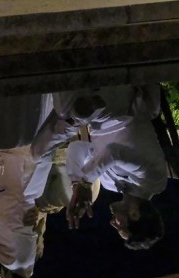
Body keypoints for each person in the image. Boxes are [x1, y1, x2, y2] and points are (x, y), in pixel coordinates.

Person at [30, 86, 167, 251]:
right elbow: (114, 153)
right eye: (119, 226)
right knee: (66, 110)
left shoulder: (111, 185)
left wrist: (75, 184)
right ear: (134, 215)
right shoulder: (154, 180)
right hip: (119, 109)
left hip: (92, 118)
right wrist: (86, 183)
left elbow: (76, 148)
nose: (112, 223)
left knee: (37, 151)